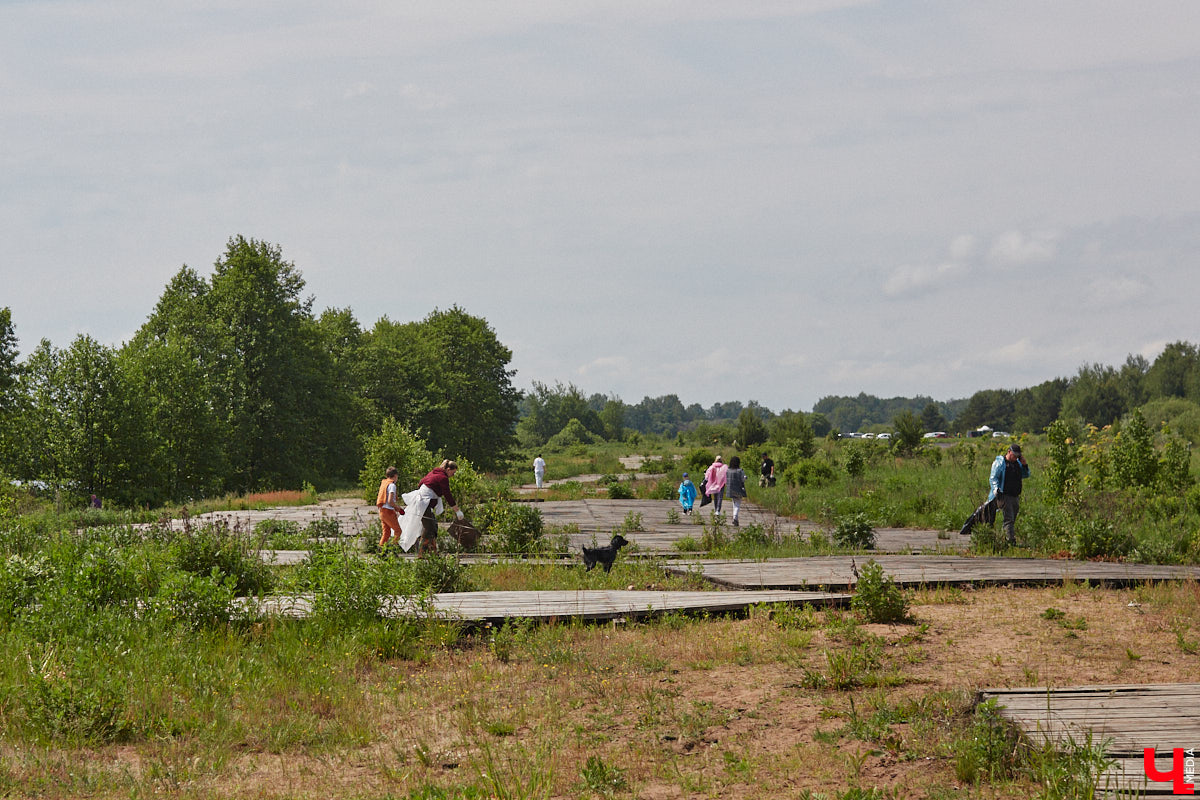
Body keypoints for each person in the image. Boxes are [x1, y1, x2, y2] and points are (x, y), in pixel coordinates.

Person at [959, 444, 1031, 545]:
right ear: (1009, 452)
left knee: (1012, 518)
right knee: (1009, 518)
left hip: (1015, 496)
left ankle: (1006, 538)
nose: (1015, 457)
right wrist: (996, 489)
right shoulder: (1000, 463)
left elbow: (1026, 475)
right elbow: (993, 478)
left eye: (1017, 455)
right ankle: (1010, 541)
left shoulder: (1018, 464)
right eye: (1014, 455)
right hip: (1004, 495)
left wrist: (1024, 465)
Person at [399, 460, 464, 555]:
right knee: (430, 528)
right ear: (448, 469)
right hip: (423, 503)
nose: (453, 475)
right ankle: (422, 553)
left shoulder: (433, 473)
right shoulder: (442, 477)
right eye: (453, 473)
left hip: (423, 503)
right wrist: (457, 510)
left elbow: (421, 483)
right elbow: (447, 495)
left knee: (433, 526)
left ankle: (432, 551)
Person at [376, 466, 405, 551]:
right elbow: (390, 501)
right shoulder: (392, 485)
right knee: (398, 531)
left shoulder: (384, 483)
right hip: (388, 512)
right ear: (395, 476)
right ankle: (392, 549)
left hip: (382, 511)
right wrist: (398, 508)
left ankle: (381, 551)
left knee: (386, 533)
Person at [726, 456, 748, 526]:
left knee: (734, 503)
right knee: (737, 504)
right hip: (738, 489)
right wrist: (745, 478)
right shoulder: (740, 471)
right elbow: (743, 479)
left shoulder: (728, 470)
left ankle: (735, 518)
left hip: (730, 489)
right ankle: (735, 517)